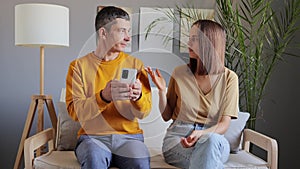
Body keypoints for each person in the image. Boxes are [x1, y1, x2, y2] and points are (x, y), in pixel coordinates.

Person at [65, 6, 152, 169]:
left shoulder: (136, 65)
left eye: (128, 31)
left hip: (130, 138)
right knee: (94, 159)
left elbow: (144, 112)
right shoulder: (78, 67)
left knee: (140, 162)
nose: (128, 38)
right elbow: (74, 112)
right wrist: (103, 97)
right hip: (93, 138)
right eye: (122, 31)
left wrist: (138, 98)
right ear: (103, 33)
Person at [146, 19, 239, 169]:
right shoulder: (180, 73)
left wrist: (201, 134)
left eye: (195, 39)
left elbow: (224, 124)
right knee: (207, 159)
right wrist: (162, 91)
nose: (189, 43)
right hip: (178, 138)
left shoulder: (229, 78)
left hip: (212, 137)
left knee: (211, 144)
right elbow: (166, 116)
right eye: (189, 38)